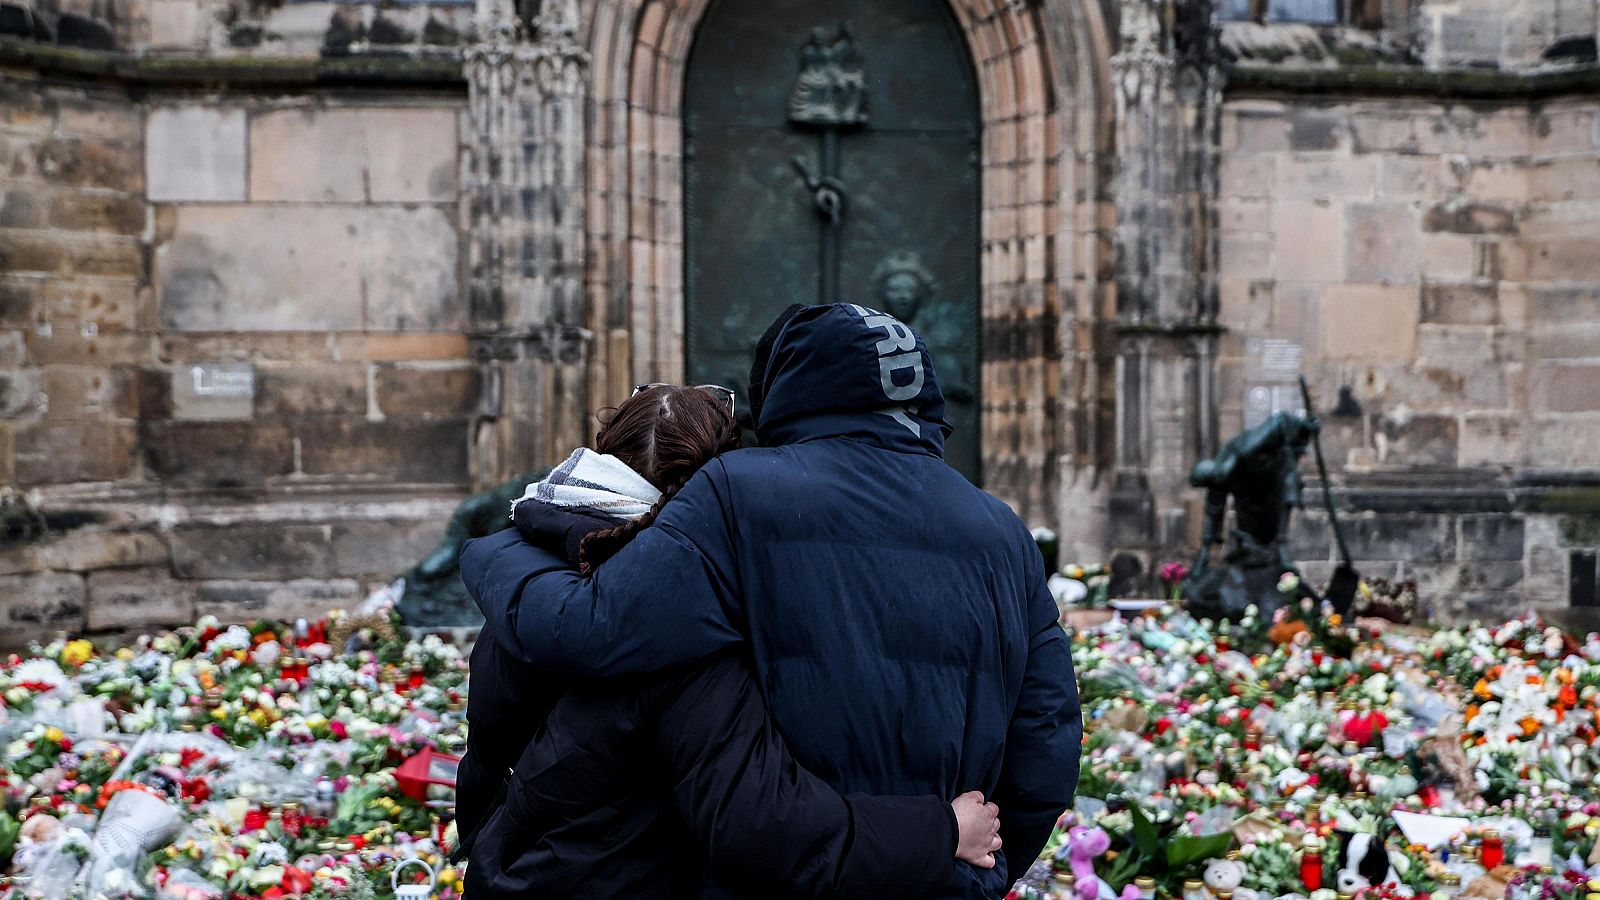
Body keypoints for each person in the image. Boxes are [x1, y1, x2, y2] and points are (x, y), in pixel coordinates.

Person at [461, 303, 1082, 895]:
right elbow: (1048, 736)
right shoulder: (1002, 527)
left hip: (776, 875)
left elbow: (594, 628)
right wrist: (977, 866)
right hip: (940, 865)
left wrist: (500, 548)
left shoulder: (738, 492)